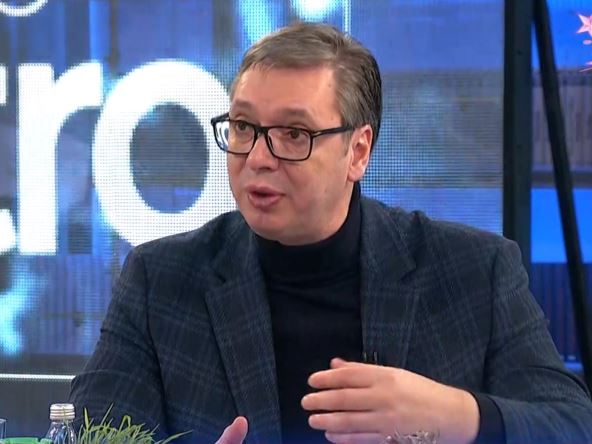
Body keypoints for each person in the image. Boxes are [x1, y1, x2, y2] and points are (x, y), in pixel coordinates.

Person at [70, 22, 592, 444]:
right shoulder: (160, 281)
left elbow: (572, 425)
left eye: (293, 134)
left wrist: (457, 416)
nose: (257, 158)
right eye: (245, 127)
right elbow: (90, 435)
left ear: (358, 152)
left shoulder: (474, 271)